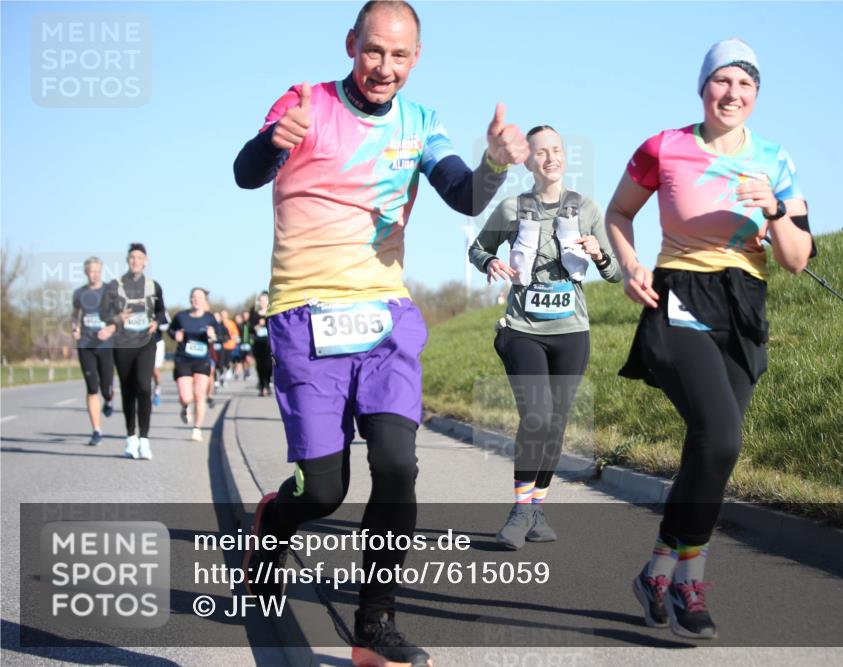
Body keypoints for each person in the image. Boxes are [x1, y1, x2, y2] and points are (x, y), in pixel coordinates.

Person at [233, 2, 527, 664]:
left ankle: (375, 625)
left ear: (415, 59)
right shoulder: (305, 101)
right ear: (351, 45)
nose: (384, 67)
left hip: (385, 317)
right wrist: (271, 141)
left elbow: (464, 193)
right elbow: (246, 174)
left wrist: (495, 163)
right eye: (373, 52)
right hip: (304, 314)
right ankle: (275, 522)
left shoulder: (420, 123)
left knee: (397, 466)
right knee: (325, 490)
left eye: (399, 56)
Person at [605, 39, 813, 639]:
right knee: (720, 436)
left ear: (756, 96)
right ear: (703, 88)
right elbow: (618, 213)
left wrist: (774, 210)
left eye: (746, 85)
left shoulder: (776, 159)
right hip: (681, 295)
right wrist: (629, 265)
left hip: (743, 306)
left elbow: (797, 259)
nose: (733, 94)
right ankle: (690, 580)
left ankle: (663, 571)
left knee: (712, 452)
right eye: (722, 81)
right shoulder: (664, 147)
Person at [469, 126, 621, 549]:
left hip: (572, 331)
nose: (550, 158)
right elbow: (477, 250)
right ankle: (519, 512)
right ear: (528, 161)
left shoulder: (587, 209)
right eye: (541, 152)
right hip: (523, 330)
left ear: (564, 156)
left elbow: (615, 274)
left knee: (555, 426)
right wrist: (491, 264)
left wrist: (600, 253)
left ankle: (537, 507)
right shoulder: (511, 208)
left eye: (556, 150)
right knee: (536, 416)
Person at [98, 243, 166, 460]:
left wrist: (156, 322)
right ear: (127, 261)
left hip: (146, 342)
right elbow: (104, 313)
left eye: (139, 257)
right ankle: (130, 437)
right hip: (123, 343)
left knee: (144, 387)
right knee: (128, 389)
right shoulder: (114, 286)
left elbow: (162, 312)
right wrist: (118, 319)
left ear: (145, 261)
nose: (135, 261)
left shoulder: (153, 286)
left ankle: (144, 439)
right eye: (132, 257)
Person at [168, 288, 223, 442]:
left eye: (199, 297)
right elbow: (171, 330)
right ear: (190, 299)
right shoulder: (181, 316)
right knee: (186, 397)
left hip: (202, 360)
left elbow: (220, 336)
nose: (196, 299)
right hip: (183, 359)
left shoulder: (210, 318)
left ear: (205, 301)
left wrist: (213, 335)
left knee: (200, 395)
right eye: (193, 297)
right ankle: (185, 407)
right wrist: (175, 335)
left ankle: (197, 429)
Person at [70, 256, 115, 446]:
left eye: (97, 271)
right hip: (86, 345)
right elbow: (75, 315)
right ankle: (96, 430)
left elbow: (120, 317)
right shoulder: (79, 293)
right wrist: (75, 328)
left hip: (106, 345)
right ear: (86, 272)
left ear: (101, 271)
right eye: (90, 271)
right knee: (92, 387)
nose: (93, 274)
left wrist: (110, 329)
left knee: (106, 387)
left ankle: (109, 399)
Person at [249, 291, 273, 396]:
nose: (263, 302)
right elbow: (249, 329)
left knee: (268, 365)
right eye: (261, 300)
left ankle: (267, 383)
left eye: (265, 300)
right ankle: (262, 385)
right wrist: (257, 326)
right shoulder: (255, 315)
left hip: (269, 344)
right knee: (259, 365)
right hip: (258, 343)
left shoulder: (271, 313)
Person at [152, 307, 170, 407]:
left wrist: (156, 324)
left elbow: (166, 325)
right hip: (139, 343)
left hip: (157, 342)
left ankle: (157, 390)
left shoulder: (160, 306)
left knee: (155, 370)